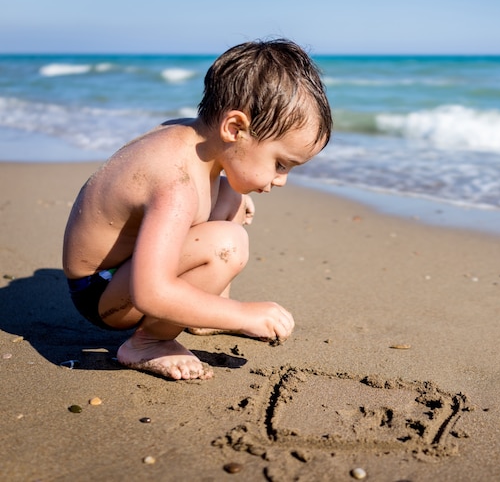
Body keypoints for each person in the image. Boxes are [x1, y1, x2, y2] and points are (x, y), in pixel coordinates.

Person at [62, 39, 332, 381]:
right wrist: (242, 314)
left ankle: (203, 315)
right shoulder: (175, 185)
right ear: (234, 128)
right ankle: (148, 343)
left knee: (234, 193)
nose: (282, 180)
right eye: (280, 163)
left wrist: (236, 195)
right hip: (102, 291)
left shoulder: (191, 135)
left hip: (123, 273)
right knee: (226, 245)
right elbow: (150, 291)